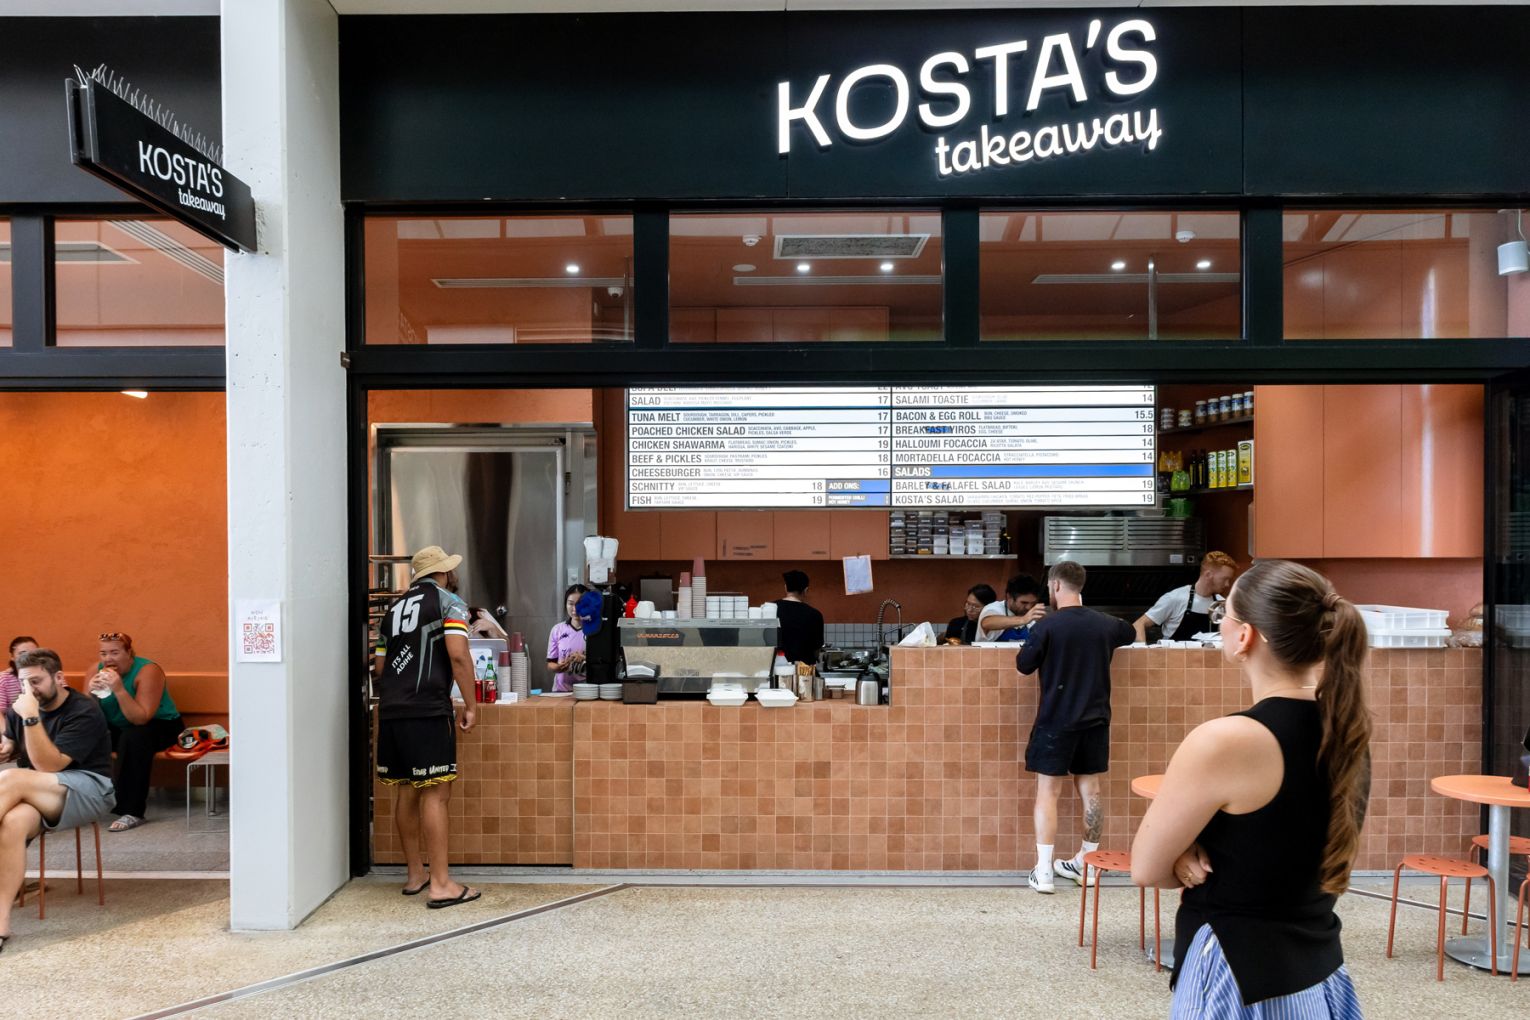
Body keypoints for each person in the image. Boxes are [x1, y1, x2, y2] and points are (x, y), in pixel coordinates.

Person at [1131, 560, 1369, 1016]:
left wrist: (1182, 853)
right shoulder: (1347, 729)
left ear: (1245, 636)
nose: (1220, 624)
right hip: (1319, 967)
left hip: (1236, 972)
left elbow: (1145, 868)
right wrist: (1185, 851)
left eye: (1224, 615)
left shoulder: (1226, 740)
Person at [1016, 560, 1135, 894]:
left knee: (1048, 792)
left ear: (1055, 585)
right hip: (1095, 720)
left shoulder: (1047, 626)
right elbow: (1130, 632)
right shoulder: (1107, 624)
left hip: (1055, 720)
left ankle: (1044, 872)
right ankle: (1087, 863)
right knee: (1091, 791)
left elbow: (1024, 665)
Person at [372, 545, 480, 909]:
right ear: (444, 573)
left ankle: (415, 874)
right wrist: (471, 704)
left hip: (392, 711)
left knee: (407, 791)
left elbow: (380, 668)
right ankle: (441, 884)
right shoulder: (449, 603)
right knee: (436, 793)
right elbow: (458, 655)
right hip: (427, 711)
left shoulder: (393, 611)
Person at [0, 648, 116, 952]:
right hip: (39, 790)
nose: (29, 690)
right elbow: (13, 743)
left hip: (90, 788)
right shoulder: (20, 708)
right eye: (23, 683)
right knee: (13, 821)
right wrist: (8, 745)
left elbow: (49, 766)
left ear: (59, 678)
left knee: (11, 778)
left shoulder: (84, 710)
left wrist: (30, 717)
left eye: (36, 681)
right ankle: (1, 923)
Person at [86, 632, 182, 832]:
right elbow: (86, 718)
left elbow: (141, 718)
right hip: (118, 725)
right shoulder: (95, 670)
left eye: (115, 653)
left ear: (129, 653)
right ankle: (74, 803)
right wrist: (92, 694)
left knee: (134, 737)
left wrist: (119, 690)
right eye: (103, 653)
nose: (108, 659)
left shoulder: (148, 670)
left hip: (160, 725)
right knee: (81, 736)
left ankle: (132, 811)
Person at [1133, 551, 1238, 644]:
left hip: (1206, 659)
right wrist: (1143, 652)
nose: (1227, 584)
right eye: (1224, 579)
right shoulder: (1175, 598)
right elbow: (1139, 624)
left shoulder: (1222, 604)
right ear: (1208, 575)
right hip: (1173, 659)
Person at [976, 574, 1048, 642]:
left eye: (1033, 603)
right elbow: (986, 623)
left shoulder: (1031, 615)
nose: (1028, 607)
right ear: (1009, 597)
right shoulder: (993, 609)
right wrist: (1023, 619)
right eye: (1024, 603)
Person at [774, 569, 825, 665]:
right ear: (806, 590)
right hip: (805, 670)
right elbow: (816, 649)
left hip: (777, 668)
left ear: (785, 587)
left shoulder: (770, 609)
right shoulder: (815, 614)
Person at [546, 584, 590, 692]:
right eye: (570, 603)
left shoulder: (595, 630)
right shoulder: (557, 630)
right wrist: (558, 667)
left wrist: (585, 658)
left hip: (588, 690)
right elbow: (550, 663)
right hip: (561, 691)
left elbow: (602, 662)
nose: (575, 609)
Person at [1, 637, 38, 718]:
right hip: (14, 723)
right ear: (12, 656)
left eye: (34, 653)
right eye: (22, 653)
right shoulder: (3, 679)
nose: (29, 657)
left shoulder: (50, 673)